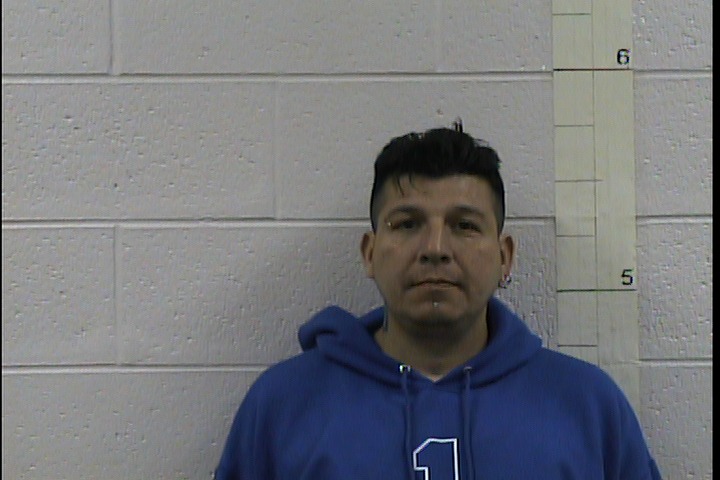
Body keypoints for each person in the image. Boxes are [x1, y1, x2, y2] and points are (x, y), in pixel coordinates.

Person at [214, 120, 662, 479]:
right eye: (407, 224)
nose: (435, 248)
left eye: (464, 226)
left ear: (504, 256)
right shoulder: (283, 404)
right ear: (370, 253)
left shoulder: (588, 405)